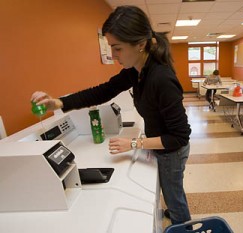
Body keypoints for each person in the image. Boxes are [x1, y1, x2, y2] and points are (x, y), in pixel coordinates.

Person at [31, 5, 191, 226]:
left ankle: (183, 225)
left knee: (174, 195)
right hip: (158, 141)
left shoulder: (161, 79)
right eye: (110, 48)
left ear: (141, 44)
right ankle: (174, 213)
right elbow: (103, 91)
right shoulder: (136, 71)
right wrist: (58, 102)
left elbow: (180, 137)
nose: (113, 55)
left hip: (171, 149)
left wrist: (134, 143)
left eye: (117, 48)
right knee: (169, 190)